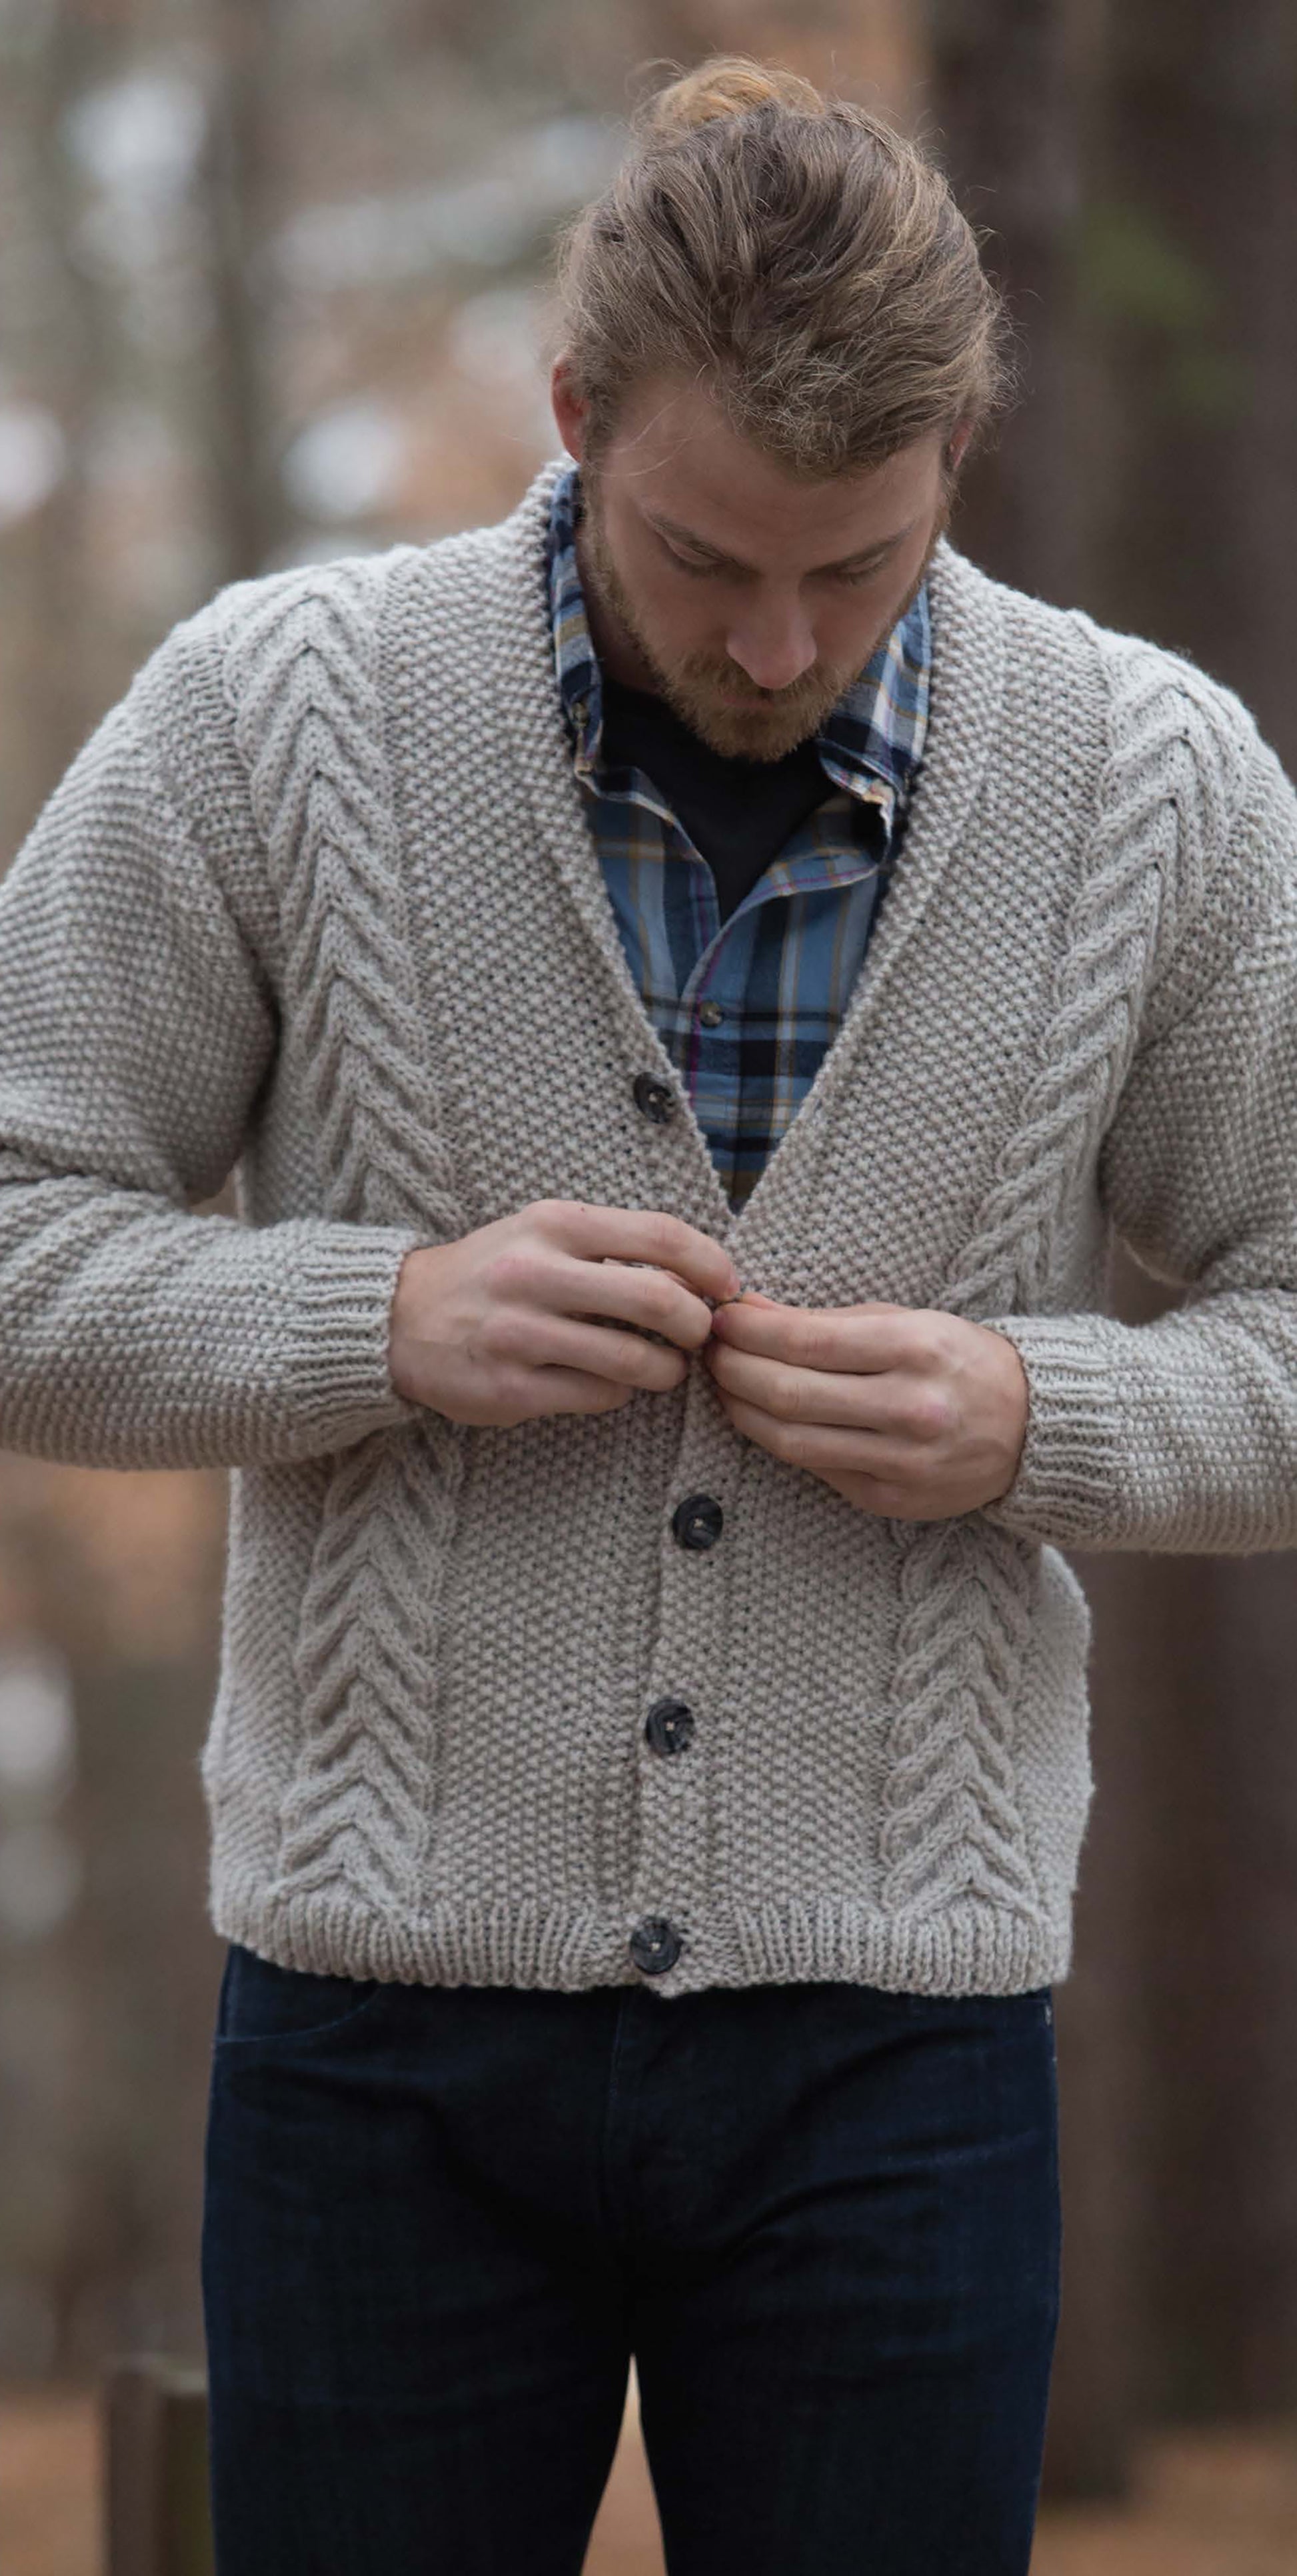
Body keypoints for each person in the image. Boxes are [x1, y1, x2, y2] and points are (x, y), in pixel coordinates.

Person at [1, 50, 1295, 2576]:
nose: (784, 637)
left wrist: (1044, 1411)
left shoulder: (1158, 784)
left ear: (957, 453)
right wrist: (375, 1322)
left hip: (897, 2051)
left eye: (865, 563)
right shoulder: (275, 717)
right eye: (705, 557)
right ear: (574, 409)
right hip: (377, 2039)